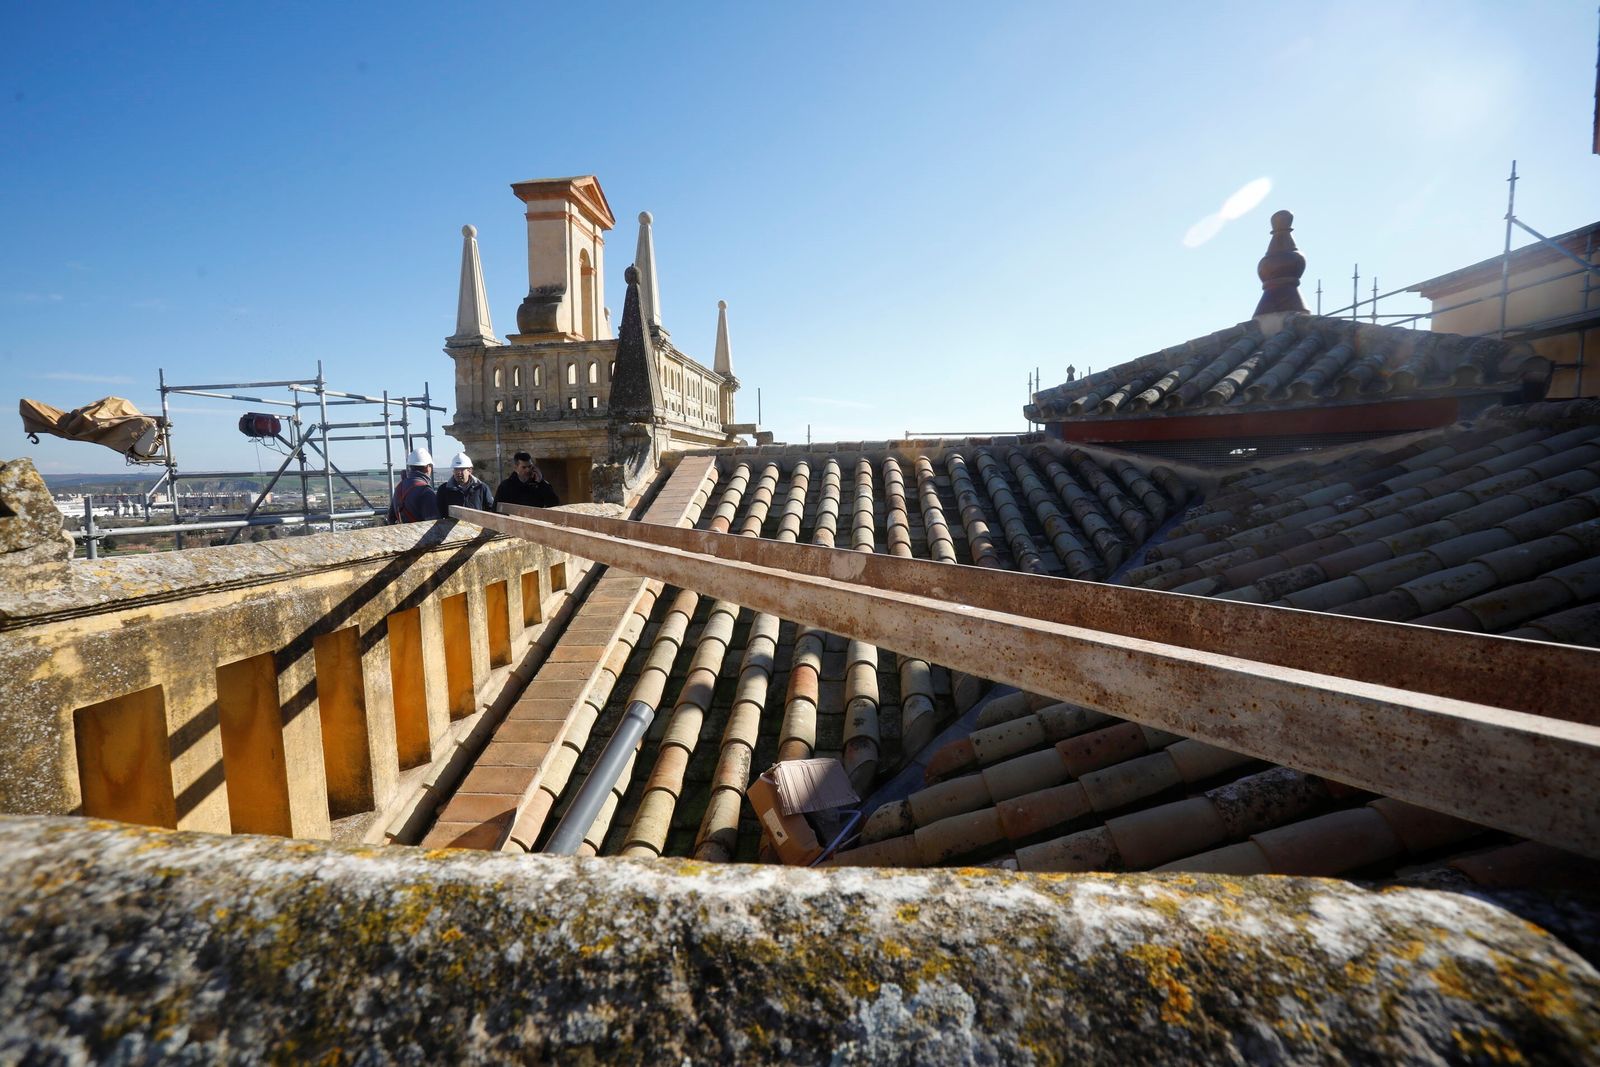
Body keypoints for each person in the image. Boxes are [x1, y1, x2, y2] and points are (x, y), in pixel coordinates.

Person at [387, 447, 439, 523]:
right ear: (427, 467)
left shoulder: (400, 487)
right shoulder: (426, 491)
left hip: (402, 533)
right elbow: (433, 525)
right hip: (420, 534)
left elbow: (391, 518)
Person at [495, 451, 561, 510]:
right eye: (524, 467)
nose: (528, 470)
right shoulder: (506, 486)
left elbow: (554, 504)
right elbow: (496, 509)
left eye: (530, 466)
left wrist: (541, 482)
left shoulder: (539, 484)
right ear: (515, 468)